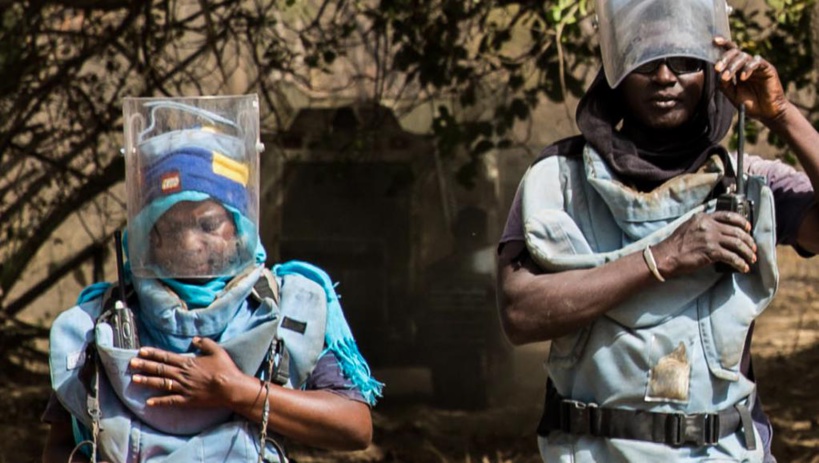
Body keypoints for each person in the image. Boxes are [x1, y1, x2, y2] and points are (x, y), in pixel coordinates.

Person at [497, 0, 819, 461]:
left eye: (685, 62)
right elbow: (518, 314)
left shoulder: (749, 182)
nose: (665, 77)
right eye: (645, 60)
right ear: (617, 71)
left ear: (711, 74)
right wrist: (664, 257)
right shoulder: (560, 180)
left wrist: (781, 114)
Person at [42, 95, 382, 462]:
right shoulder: (102, 323)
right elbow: (62, 445)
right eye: (170, 226)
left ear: (238, 227)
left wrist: (234, 390)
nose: (189, 242)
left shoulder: (290, 306)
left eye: (208, 224)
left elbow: (354, 426)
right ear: (146, 234)